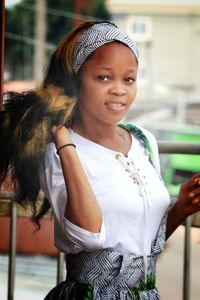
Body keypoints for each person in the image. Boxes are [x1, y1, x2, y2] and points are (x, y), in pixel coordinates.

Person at [0, 21, 200, 300]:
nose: (119, 90)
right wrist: (62, 138)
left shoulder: (144, 141)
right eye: (104, 78)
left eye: (128, 79)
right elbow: (89, 235)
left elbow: (141, 246)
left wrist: (180, 209)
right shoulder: (58, 149)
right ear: (74, 81)